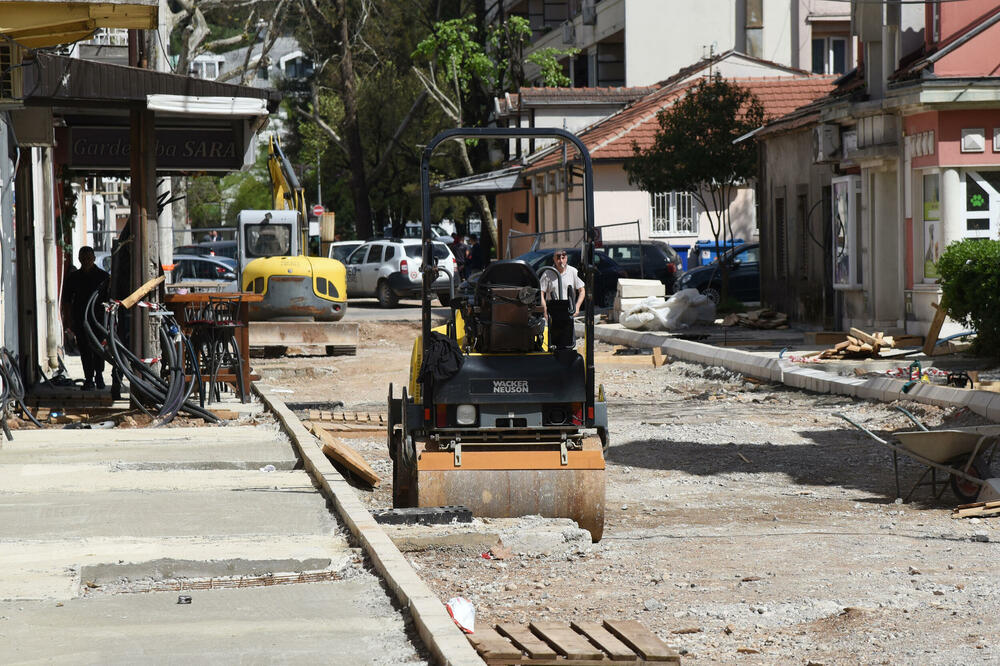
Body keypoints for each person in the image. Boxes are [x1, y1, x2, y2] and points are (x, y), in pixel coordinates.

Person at [63, 246, 110, 390]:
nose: (86, 261)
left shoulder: (103, 277)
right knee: (84, 349)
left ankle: (99, 376)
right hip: (80, 319)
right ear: (79, 259)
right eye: (83, 259)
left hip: (98, 319)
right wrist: (69, 320)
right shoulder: (74, 278)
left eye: (89, 258)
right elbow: (67, 300)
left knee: (98, 348)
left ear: (94, 258)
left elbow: (109, 299)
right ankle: (89, 378)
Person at [539, 249, 585, 349]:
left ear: (566, 258)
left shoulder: (573, 271)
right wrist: (545, 310)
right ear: (554, 259)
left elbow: (582, 290)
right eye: (558, 258)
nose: (561, 260)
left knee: (568, 341)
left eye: (563, 257)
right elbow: (541, 293)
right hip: (553, 312)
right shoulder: (548, 273)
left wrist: (577, 307)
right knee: (553, 341)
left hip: (568, 311)